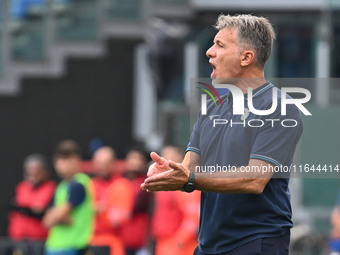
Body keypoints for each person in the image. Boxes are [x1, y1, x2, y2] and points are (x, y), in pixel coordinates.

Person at [141, 14, 303, 255]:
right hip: (208, 245)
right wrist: (169, 172)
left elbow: (254, 180)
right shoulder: (210, 108)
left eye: (220, 45)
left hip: (256, 242)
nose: (209, 52)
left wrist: (188, 179)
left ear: (246, 57)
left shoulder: (280, 106)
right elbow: (189, 169)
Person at [43, 140, 94, 255]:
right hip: (54, 246)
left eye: (66, 159)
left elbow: (58, 215)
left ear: (76, 160)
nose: (62, 164)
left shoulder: (79, 184)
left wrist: (59, 216)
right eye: (59, 160)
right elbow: (46, 222)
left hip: (73, 246)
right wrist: (63, 218)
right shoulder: (60, 187)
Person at [151, 145, 200, 255]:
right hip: (164, 242)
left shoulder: (185, 185)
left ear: (180, 158)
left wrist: (179, 240)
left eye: (169, 156)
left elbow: (193, 218)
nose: (163, 159)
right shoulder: (166, 184)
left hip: (181, 246)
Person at [90, 146, 133, 255]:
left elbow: (120, 217)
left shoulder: (121, 185)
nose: (100, 167)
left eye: (105, 163)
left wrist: (100, 210)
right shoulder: (91, 184)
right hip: (89, 242)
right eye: (98, 163)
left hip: (112, 244)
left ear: (113, 163)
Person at [8, 154, 56, 240]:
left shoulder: (51, 187)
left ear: (45, 171)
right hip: (18, 238)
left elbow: (40, 210)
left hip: (40, 239)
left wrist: (23, 208)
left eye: (36, 169)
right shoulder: (21, 187)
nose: (32, 173)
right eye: (29, 169)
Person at [121, 147, 152, 255]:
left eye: (138, 159)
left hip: (143, 239)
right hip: (121, 239)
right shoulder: (120, 183)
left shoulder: (148, 182)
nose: (134, 162)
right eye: (131, 158)